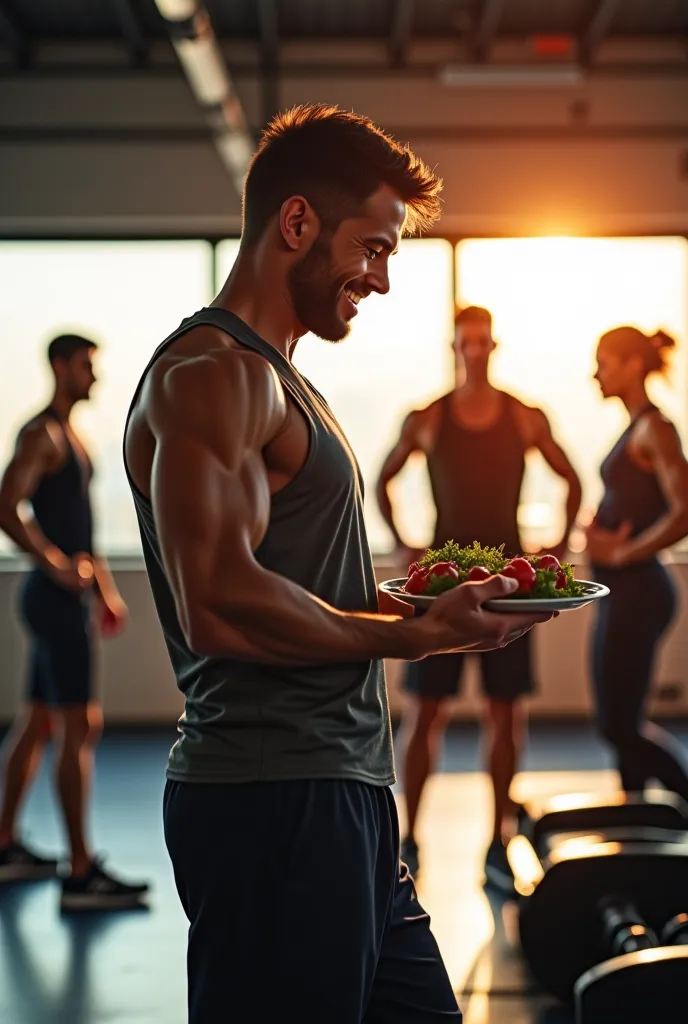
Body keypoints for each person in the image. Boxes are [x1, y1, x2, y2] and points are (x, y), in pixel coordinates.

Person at [122, 104, 554, 1023]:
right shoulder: (212, 375)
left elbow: (295, 584)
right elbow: (219, 606)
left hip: (346, 793)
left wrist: (422, 610)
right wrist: (415, 640)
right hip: (274, 796)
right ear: (297, 223)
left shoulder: (282, 378)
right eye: (373, 248)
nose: (384, 280)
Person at [376, 305, 582, 889]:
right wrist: (402, 544)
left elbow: (572, 479)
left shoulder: (523, 416)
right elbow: (382, 480)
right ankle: (411, 838)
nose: (476, 351)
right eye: (467, 342)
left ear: (493, 347)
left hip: (510, 588)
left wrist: (558, 551)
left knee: (505, 712)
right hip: (445, 580)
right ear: (454, 347)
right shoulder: (427, 418)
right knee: (426, 712)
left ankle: (498, 838)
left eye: (484, 342)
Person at [0, 333, 149, 910]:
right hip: (52, 599)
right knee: (79, 728)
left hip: (63, 599)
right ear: (61, 367)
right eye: (86, 366)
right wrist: (57, 566)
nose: (95, 376)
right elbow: (6, 503)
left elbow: (79, 527)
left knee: (38, 721)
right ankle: (81, 872)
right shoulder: (42, 433)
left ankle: (5, 842)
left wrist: (105, 591)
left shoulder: (72, 436)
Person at [586, 325, 688, 801]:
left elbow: (684, 510)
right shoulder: (635, 427)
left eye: (604, 363)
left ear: (631, 366)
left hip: (640, 593)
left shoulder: (655, 427)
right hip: (625, 594)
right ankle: (636, 819)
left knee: (616, 725)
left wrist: (625, 551)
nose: (595, 374)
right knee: (624, 720)